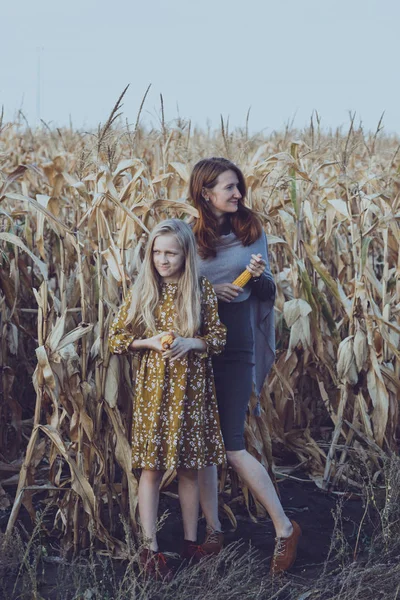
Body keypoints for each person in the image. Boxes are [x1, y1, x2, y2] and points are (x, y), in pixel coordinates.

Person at [190, 157, 301, 575]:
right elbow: (170, 286)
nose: (238, 194)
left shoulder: (251, 233)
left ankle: (285, 527)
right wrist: (206, 289)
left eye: (238, 186)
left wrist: (253, 277)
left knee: (232, 444)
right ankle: (214, 532)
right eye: (229, 187)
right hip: (197, 347)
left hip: (235, 347)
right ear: (205, 192)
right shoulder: (190, 235)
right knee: (203, 443)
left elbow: (269, 291)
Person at [109, 218, 226, 580]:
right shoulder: (144, 290)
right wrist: (148, 341)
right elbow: (115, 338)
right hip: (153, 395)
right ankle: (150, 549)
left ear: (186, 254)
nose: (162, 260)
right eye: (157, 253)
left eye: (170, 253)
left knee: (190, 467)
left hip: (191, 394)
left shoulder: (200, 291)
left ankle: (191, 542)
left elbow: (219, 338)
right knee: (152, 468)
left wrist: (192, 343)